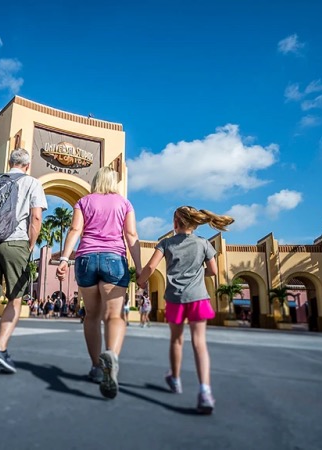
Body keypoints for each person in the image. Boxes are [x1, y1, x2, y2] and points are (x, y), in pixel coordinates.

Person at [137, 206, 233, 414]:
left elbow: (151, 267)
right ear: (195, 223)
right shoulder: (204, 244)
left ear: (175, 223)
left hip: (175, 298)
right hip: (198, 297)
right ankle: (205, 391)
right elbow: (214, 271)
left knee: (177, 340)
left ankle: (176, 379)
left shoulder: (166, 243)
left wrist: (141, 281)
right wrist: (197, 273)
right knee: (200, 343)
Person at [56, 166, 142, 399]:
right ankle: (111, 356)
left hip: (85, 259)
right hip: (114, 259)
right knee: (114, 315)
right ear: (114, 182)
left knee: (92, 315)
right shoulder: (124, 203)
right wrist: (140, 267)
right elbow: (131, 236)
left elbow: (75, 229)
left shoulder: (83, 201)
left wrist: (64, 258)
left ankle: (96, 366)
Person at [0, 148, 47, 376]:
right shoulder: (32, 182)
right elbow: (35, 218)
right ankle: (0, 347)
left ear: (9, 162)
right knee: (15, 299)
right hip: (16, 243)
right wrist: (30, 245)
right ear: (27, 165)